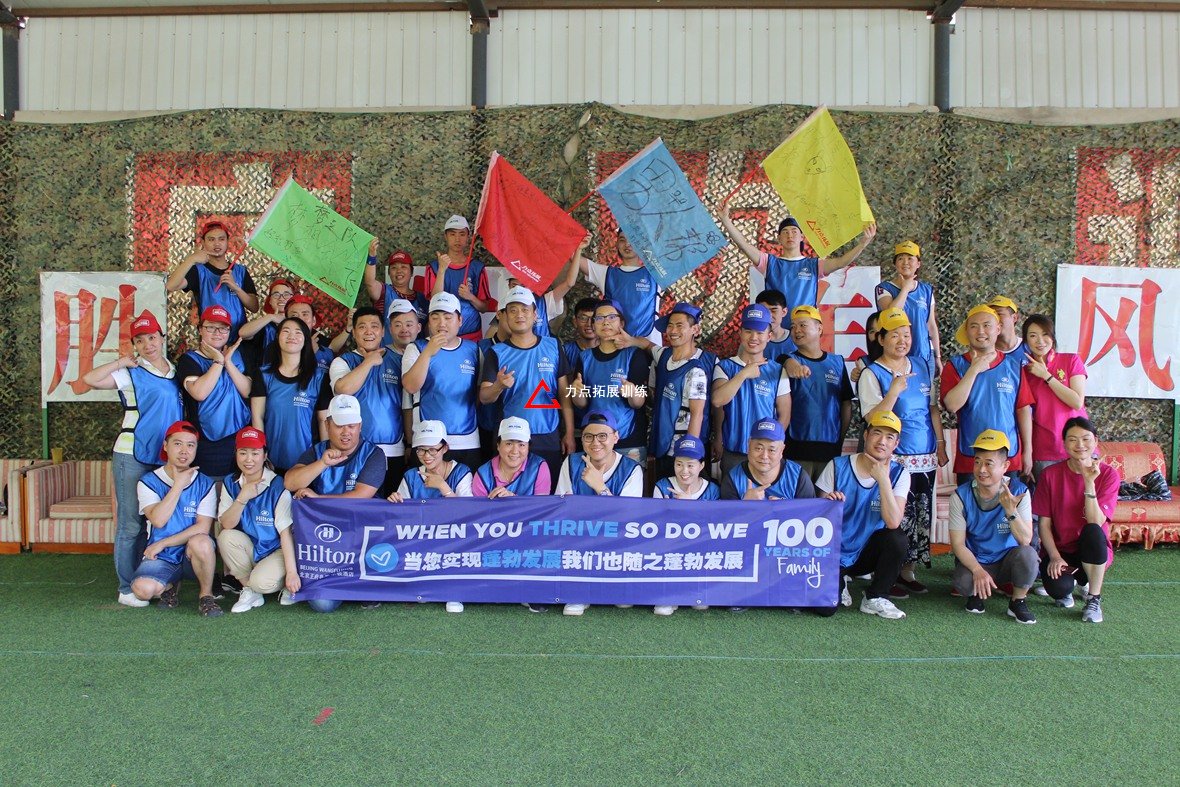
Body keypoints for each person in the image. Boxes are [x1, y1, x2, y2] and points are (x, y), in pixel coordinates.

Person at [81, 310, 183, 608]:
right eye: (140, 340)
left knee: (160, 521)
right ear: (134, 345)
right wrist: (121, 362)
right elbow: (89, 379)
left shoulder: (175, 371)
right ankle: (126, 587)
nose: (148, 344)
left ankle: (151, 579)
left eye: (152, 337)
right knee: (131, 523)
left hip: (165, 456)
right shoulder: (131, 372)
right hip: (132, 454)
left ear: (162, 338)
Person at [858, 307, 947, 595]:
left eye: (906, 335)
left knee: (921, 514)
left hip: (925, 456)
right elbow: (871, 418)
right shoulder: (872, 373)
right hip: (893, 459)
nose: (902, 341)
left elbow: (932, 409)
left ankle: (908, 571)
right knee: (893, 515)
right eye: (894, 335)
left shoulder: (921, 365)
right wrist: (894, 391)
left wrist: (941, 444)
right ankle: (886, 573)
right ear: (881, 338)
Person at [284, 394, 385, 614]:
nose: (346, 432)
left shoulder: (374, 453)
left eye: (352, 425)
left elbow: (362, 496)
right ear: (327, 425)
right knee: (323, 604)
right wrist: (322, 463)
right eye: (339, 425)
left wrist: (318, 500)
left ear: (360, 425)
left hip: (360, 539)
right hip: (326, 541)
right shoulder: (317, 451)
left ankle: (357, 586)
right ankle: (349, 588)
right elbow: (290, 482)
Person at [815, 411, 910, 620]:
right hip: (832, 554)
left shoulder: (900, 474)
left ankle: (875, 597)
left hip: (866, 554)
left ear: (896, 444)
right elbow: (817, 521)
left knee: (897, 538)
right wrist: (829, 504)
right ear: (866, 435)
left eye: (889, 437)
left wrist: (883, 480)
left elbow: (893, 521)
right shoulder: (837, 465)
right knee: (825, 609)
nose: (882, 441)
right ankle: (840, 581)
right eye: (877, 433)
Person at [554, 410, 644, 617]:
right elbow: (563, 508)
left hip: (616, 540)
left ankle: (616, 585)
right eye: (589, 436)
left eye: (603, 436)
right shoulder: (571, 462)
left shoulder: (631, 469)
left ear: (615, 437)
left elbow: (627, 520)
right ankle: (578, 591)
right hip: (580, 537)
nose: (595, 442)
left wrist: (600, 488)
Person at [480, 286, 573, 482]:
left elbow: (564, 394)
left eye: (524, 309)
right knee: (508, 491)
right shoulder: (496, 352)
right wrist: (498, 386)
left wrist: (570, 434)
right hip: (509, 437)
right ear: (504, 315)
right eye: (513, 310)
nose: (519, 315)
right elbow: (484, 397)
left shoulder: (553, 346)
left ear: (535, 314)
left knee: (547, 490)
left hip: (547, 433)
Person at [129, 421, 222, 617]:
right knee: (142, 590)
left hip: (191, 553)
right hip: (162, 557)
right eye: (178, 444)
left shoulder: (205, 483)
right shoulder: (148, 481)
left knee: (202, 542)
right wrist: (178, 485)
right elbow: (158, 520)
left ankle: (206, 596)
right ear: (165, 446)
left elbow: (203, 527)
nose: (184, 451)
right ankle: (169, 587)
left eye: (190, 445)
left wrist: (163, 543)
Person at [1032, 417, 1119, 623]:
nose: (1080, 445)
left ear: (1095, 441)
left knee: (1093, 531)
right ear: (1064, 443)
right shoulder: (1050, 474)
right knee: (1058, 589)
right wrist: (1054, 557)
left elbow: (1095, 521)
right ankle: (1071, 584)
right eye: (1072, 439)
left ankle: (1093, 598)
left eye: (1086, 439)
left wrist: (1089, 482)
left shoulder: (1108, 475)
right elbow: (1044, 524)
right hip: (1061, 551)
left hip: (1092, 550)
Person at [948, 429, 1038, 623]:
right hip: (978, 559)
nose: (981, 470)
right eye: (977, 462)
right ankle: (977, 593)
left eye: (989, 463)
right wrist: (977, 570)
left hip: (1008, 561)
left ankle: (1018, 601)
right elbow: (958, 544)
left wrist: (1010, 511)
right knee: (963, 583)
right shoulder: (960, 495)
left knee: (1028, 555)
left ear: (1005, 466)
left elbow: (1025, 539)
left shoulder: (1019, 492)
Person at [719, 207, 877, 315]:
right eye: (785, 232)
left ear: (802, 237)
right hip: (775, 331)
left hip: (803, 331)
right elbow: (744, 245)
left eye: (794, 231)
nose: (790, 235)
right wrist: (726, 220)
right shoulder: (769, 263)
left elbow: (841, 262)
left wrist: (863, 244)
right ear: (779, 239)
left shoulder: (814, 265)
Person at [388, 420, 474, 614]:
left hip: (455, 539)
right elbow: (401, 517)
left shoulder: (461, 472)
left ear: (445, 448)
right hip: (422, 540)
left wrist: (443, 487)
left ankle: (453, 590)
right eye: (421, 450)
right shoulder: (411, 476)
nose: (427, 456)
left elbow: (469, 513)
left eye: (433, 450)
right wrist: (395, 500)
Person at [941, 304, 1033, 483]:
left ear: (998, 329)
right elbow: (951, 405)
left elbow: (1023, 409)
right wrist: (973, 370)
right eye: (974, 326)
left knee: (1009, 501)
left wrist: (1028, 451)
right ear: (967, 331)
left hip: (1008, 457)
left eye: (987, 325)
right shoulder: (955, 365)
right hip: (971, 458)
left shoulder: (1013, 366)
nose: (981, 331)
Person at [216, 427, 299, 613]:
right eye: (243, 452)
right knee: (225, 536)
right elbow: (226, 524)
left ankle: (261, 584)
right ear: (236, 454)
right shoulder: (231, 482)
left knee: (261, 582)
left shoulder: (278, 485)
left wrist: (292, 573)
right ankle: (249, 589)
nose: (248, 459)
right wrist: (242, 498)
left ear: (265, 455)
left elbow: (286, 533)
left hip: (276, 550)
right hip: (252, 549)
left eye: (255, 453)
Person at [329, 307, 407, 496]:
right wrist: (369, 361)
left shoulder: (399, 360)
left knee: (392, 506)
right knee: (360, 506)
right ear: (354, 332)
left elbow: (407, 405)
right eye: (362, 327)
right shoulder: (343, 361)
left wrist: (410, 445)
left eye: (374, 326)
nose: (369, 331)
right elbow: (343, 390)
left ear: (383, 331)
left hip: (394, 449)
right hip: (357, 450)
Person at [402, 292, 483, 470]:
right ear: (428, 321)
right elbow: (410, 386)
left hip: (467, 439)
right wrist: (428, 352)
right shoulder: (416, 348)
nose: (442, 323)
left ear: (460, 320)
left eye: (448, 317)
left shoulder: (474, 350)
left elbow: (479, 393)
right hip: (427, 441)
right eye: (435, 317)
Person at [569, 299, 650, 464]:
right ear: (594, 325)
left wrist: (632, 393)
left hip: (627, 439)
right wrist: (576, 392)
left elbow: (638, 403)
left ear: (622, 323)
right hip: (595, 441)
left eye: (612, 317)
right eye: (599, 318)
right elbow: (581, 404)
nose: (606, 322)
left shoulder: (634, 355)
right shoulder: (584, 357)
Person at [711, 304, 790, 475]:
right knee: (731, 491)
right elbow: (718, 400)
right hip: (733, 451)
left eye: (760, 333)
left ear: (769, 336)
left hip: (765, 457)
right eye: (748, 331)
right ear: (740, 333)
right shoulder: (725, 367)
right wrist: (744, 373)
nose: (754, 337)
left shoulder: (777, 371)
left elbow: (784, 414)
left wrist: (773, 446)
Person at [177, 305, 252, 478]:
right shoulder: (190, 360)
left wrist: (228, 362)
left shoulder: (239, 357)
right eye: (210, 327)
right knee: (210, 489)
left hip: (240, 439)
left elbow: (248, 392)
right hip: (208, 442)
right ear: (200, 330)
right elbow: (199, 393)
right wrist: (218, 361)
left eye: (223, 328)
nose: (217, 333)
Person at [250, 317, 328, 474]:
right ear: (277, 337)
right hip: (272, 462)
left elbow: (323, 420)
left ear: (305, 339)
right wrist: (261, 454)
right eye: (286, 331)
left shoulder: (319, 377)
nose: (292, 336)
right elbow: (257, 417)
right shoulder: (264, 375)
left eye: (298, 332)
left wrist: (324, 459)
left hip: (308, 464)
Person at [784, 305, 853, 481]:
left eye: (802, 325)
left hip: (829, 448)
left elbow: (846, 403)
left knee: (826, 497)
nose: (796, 330)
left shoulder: (837, 362)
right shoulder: (788, 361)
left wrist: (840, 438)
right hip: (796, 448)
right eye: (793, 327)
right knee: (798, 497)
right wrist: (788, 363)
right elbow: (784, 361)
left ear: (819, 328)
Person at [649, 302, 714, 481]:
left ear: (695, 330)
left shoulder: (696, 371)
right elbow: (646, 345)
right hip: (662, 446)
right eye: (670, 325)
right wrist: (629, 340)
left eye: (679, 325)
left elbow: (697, 414)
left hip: (681, 453)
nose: (673, 330)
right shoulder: (664, 356)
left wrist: (688, 454)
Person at [165, 220, 258, 341]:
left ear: (227, 242)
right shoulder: (198, 271)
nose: (217, 244)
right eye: (211, 239)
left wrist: (236, 288)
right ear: (203, 242)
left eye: (221, 239)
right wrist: (191, 260)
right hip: (211, 341)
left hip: (240, 341)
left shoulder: (240, 271)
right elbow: (171, 286)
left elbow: (254, 307)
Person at [1022, 314, 1088, 477]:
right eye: (1033, 336)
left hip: (1079, 446)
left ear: (1052, 337)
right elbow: (1024, 413)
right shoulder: (1024, 372)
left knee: (1085, 492)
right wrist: (1027, 452)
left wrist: (1046, 376)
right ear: (1026, 341)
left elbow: (1077, 402)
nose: (1040, 341)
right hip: (1045, 449)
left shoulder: (1071, 360)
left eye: (1045, 334)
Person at [577, 233, 662, 345]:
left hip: (649, 345)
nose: (627, 244)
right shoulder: (607, 274)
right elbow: (573, 258)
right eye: (622, 240)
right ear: (616, 243)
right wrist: (579, 247)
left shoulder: (656, 274)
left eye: (632, 239)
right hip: (614, 345)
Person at [874, 240, 941, 380]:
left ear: (918, 264)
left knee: (925, 391)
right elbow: (891, 313)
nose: (905, 262)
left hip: (923, 353)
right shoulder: (884, 288)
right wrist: (905, 289)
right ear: (895, 263)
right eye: (900, 258)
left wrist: (937, 356)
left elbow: (931, 325)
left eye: (910, 258)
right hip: (896, 354)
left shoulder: (926, 290)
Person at [422, 215, 494, 342]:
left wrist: (470, 297)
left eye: (462, 234)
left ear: (468, 237)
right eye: (452, 234)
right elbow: (434, 300)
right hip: (442, 335)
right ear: (445, 236)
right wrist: (442, 270)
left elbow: (484, 308)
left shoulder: (477, 268)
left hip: (471, 335)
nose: (457, 239)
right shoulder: (434, 267)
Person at [720, 418, 816, 500]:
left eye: (771, 450)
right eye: (759, 448)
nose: (764, 456)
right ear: (748, 445)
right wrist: (745, 505)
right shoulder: (733, 480)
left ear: (782, 450)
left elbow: (812, 513)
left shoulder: (797, 477)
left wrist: (786, 510)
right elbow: (725, 516)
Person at [472, 417, 551, 498]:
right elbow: (479, 505)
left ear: (528, 447)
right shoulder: (483, 475)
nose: (515, 451)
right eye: (509, 444)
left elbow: (542, 504)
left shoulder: (538, 467)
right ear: (498, 445)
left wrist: (513, 499)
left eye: (521, 445)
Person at [364, 238, 429, 324]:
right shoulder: (383, 291)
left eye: (403, 267)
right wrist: (372, 257)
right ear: (389, 273)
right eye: (394, 268)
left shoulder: (422, 299)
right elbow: (370, 283)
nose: (399, 271)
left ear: (412, 272)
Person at [237, 277, 297, 369]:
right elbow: (243, 333)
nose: (281, 298)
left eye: (286, 294)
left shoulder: (300, 325)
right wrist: (270, 317)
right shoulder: (265, 325)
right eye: (276, 294)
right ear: (270, 300)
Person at [284, 295, 343, 371]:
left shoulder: (327, 353)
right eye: (294, 315)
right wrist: (308, 354)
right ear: (285, 321)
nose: (300, 319)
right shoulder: (276, 348)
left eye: (305, 314)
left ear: (314, 320)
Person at [653, 435, 719, 501]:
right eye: (679, 464)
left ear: (701, 466)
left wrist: (688, 504)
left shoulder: (712, 491)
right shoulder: (662, 487)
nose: (684, 471)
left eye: (690, 465)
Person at [755, 289, 795, 362]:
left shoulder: (796, 339)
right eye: (764, 311)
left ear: (784, 312)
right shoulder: (752, 340)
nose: (769, 316)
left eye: (774, 311)